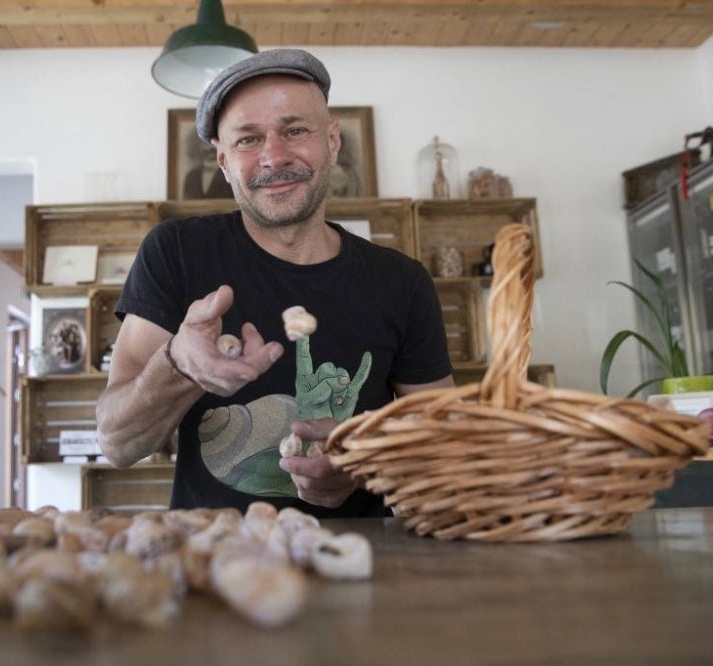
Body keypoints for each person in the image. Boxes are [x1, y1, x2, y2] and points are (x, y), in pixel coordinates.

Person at [96, 49, 454, 518]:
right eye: (248, 139)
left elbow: (442, 450)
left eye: (295, 130)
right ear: (223, 161)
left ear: (332, 141)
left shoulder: (402, 282)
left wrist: (362, 466)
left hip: (365, 567)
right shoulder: (177, 252)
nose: (274, 156)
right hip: (214, 567)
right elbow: (117, 443)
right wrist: (178, 365)